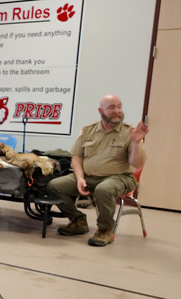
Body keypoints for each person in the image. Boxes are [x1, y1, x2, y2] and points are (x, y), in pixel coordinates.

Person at [46, 94, 148, 247]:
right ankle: (78, 220)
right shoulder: (88, 130)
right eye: (112, 107)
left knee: (104, 189)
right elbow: (77, 158)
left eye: (119, 106)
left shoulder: (130, 133)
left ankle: (105, 230)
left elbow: (137, 163)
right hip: (87, 177)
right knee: (54, 185)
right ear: (101, 111)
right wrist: (80, 178)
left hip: (119, 177)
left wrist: (135, 143)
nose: (118, 111)